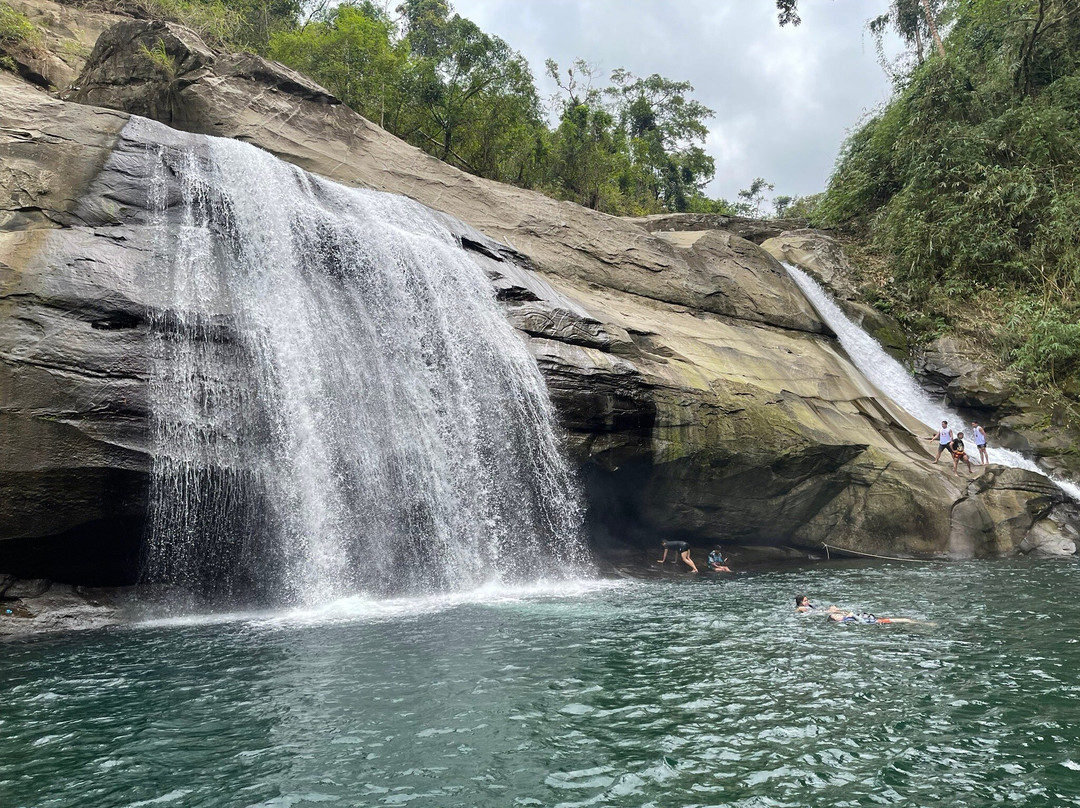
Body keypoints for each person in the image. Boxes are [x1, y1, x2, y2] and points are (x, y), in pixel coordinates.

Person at [826, 611, 920, 625]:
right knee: (905, 620)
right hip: (877, 622)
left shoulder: (846, 619)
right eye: (836, 616)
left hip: (875, 620)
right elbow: (863, 622)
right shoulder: (846, 620)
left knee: (906, 619)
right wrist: (853, 615)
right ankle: (922, 623)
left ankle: (918, 622)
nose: (839, 615)